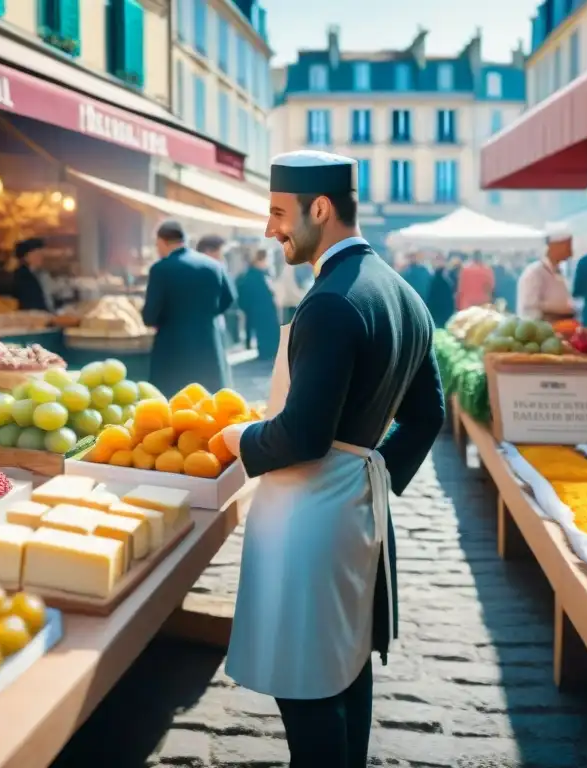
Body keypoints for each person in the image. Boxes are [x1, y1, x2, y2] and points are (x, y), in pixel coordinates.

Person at [219, 150, 445, 767]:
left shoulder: (328, 301)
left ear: (320, 208)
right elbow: (429, 415)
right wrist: (375, 470)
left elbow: (303, 436)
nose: (270, 229)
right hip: (358, 508)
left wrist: (237, 439)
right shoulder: (403, 293)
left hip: (310, 518)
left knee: (307, 690)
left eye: (277, 212)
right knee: (346, 668)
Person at [142, 220, 236, 396]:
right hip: (209, 344)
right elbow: (230, 298)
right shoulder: (214, 266)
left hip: (172, 349)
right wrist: (207, 316)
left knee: (173, 406)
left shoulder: (160, 269)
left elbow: (150, 316)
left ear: (162, 242)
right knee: (210, 404)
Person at [516, 231, 576, 322]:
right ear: (554, 246)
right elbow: (530, 307)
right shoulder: (534, 272)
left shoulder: (558, 271)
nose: (571, 253)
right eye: (567, 247)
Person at [196, 234, 237, 363]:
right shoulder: (217, 267)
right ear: (209, 251)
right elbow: (230, 296)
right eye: (221, 252)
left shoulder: (191, 266)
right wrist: (215, 311)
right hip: (213, 321)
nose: (222, 256)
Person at [237, 250, 281, 361]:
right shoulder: (254, 275)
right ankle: (267, 353)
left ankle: (268, 352)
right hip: (261, 309)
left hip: (262, 309)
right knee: (265, 332)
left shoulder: (260, 273)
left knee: (266, 332)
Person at [12, 237, 51, 312]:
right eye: (37, 254)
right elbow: (31, 301)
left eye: (42, 254)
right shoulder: (23, 276)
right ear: (26, 257)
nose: (41, 257)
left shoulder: (42, 273)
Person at [425, 252, 457, 328]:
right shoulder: (431, 275)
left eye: (440, 260)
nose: (438, 262)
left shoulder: (448, 275)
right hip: (436, 310)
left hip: (443, 310)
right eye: (437, 260)